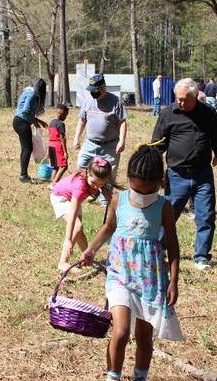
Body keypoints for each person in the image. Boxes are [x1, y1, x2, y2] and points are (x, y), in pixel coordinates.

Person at [81, 145, 183, 381]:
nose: (141, 196)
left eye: (148, 192)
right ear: (128, 180)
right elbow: (108, 227)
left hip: (151, 279)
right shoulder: (119, 200)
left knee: (145, 338)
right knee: (120, 331)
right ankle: (112, 377)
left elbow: (173, 244)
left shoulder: (163, 207)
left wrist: (174, 280)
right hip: (120, 275)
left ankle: (140, 377)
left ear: (160, 182)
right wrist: (91, 249)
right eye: (136, 190)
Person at [152, 78, 217, 270]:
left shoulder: (208, 113)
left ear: (196, 96)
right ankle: (158, 252)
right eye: (179, 99)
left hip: (203, 175)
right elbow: (157, 144)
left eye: (186, 99)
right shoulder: (168, 113)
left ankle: (201, 257)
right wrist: (156, 171)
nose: (181, 103)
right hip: (176, 175)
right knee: (167, 216)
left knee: (206, 216)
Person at [72, 74, 128, 205]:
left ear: (103, 87)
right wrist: (76, 138)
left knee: (109, 173)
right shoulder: (88, 100)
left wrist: (122, 140)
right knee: (81, 164)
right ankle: (86, 191)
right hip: (90, 143)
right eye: (91, 90)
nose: (93, 93)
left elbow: (122, 122)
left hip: (110, 146)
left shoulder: (115, 101)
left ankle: (104, 200)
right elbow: (82, 121)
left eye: (95, 90)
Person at [50, 157, 112, 272]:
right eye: (94, 183)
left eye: (101, 184)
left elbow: (110, 198)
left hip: (73, 199)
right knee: (77, 227)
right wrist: (68, 239)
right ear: (88, 173)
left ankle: (87, 259)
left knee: (80, 231)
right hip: (61, 198)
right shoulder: (80, 185)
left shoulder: (98, 180)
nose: (96, 186)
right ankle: (62, 262)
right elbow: (72, 213)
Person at [13, 78, 48, 183]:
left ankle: (24, 174)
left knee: (26, 148)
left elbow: (27, 112)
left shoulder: (27, 92)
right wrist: (35, 121)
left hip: (19, 121)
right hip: (22, 122)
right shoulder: (32, 94)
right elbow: (26, 111)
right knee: (27, 149)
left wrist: (38, 121)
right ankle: (23, 175)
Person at [48, 104, 70, 186]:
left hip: (51, 145)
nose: (66, 117)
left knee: (55, 167)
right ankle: (54, 184)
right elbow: (62, 138)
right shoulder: (61, 124)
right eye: (66, 115)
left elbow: (50, 136)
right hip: (58, 146)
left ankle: (51, 183)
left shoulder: (52, 122)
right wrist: (65, 152)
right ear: (62, 114)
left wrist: (48, 150)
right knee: (64, 166)